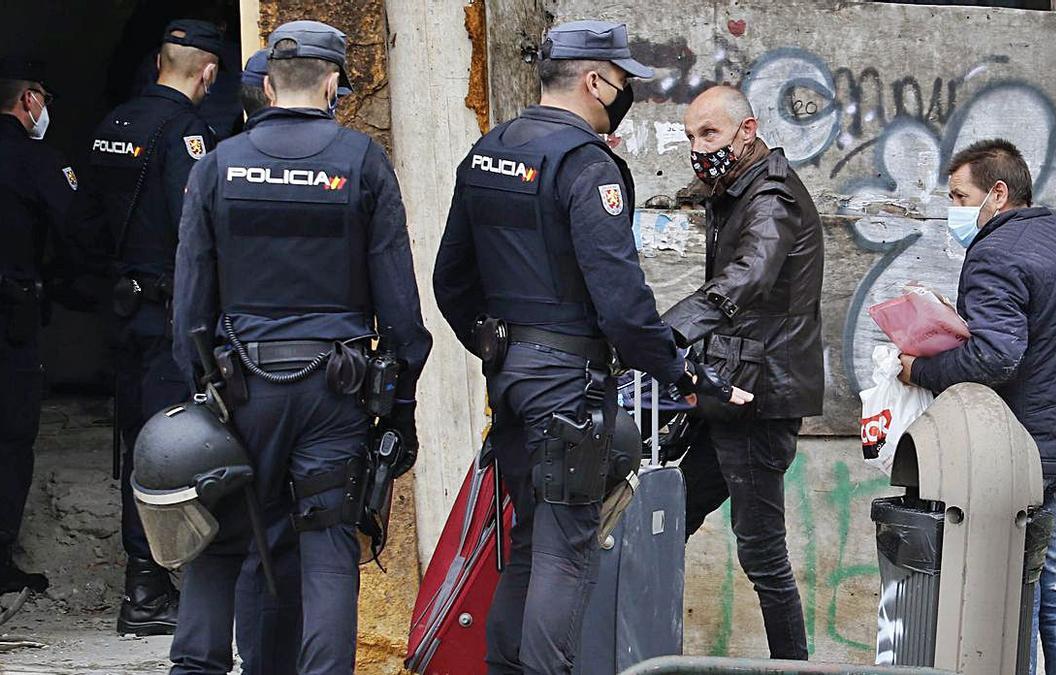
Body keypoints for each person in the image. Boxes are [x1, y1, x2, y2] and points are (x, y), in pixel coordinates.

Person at [433, 20, 748, 675]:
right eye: (623, 78)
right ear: (594, 79)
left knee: (525, 541)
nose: (626, 90)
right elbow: (621, 301)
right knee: (563, 548)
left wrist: (498, 350)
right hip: (566, 386)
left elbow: (450, 280)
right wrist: (677, 371)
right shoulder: (585, 165)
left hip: (513, 381)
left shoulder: (488, 151)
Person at [171, 20, 432, 674]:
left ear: (267, 83)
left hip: (238, 390)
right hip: (333, 394)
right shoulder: (363, 164)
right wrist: (399, 407)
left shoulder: (216, 167)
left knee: (224, 541)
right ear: (333, 79)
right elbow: (401, 312)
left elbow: (189, 306)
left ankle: (195, 667)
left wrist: (201, 399)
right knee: (326, 551)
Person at [899, 138, 1056, 675]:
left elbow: (996, 354)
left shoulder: (996, 250)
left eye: (959, 195)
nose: (953, 209)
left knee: (1016, 603)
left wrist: (922, 369)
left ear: (999, 193)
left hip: (1019, 455)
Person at [661, 85, 824, 660]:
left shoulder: (771, 196)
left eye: (709, 133)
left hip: (760, 396)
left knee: (761, 554)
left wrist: (671, 329)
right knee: (667, 519)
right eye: (690, 136)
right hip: (730, 387)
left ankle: (793, 668)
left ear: (747, 130)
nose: (698, 147)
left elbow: (750, 275)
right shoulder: (738, 190)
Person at [84, 18, 222, 636]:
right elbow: (196, 234)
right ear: (209, 72)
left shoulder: (112, 126)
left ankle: (145, 582)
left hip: (123, 312)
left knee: (140, 445)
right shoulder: (185, 134)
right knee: (171, 454)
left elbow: (83, 226)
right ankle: (148, 589)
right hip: (170, 317)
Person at [0, 56, 80, 599]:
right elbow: (80, 232)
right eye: (44, 99)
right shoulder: (36, 161)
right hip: (11, 322)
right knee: (10, 438)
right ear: (29, 100)